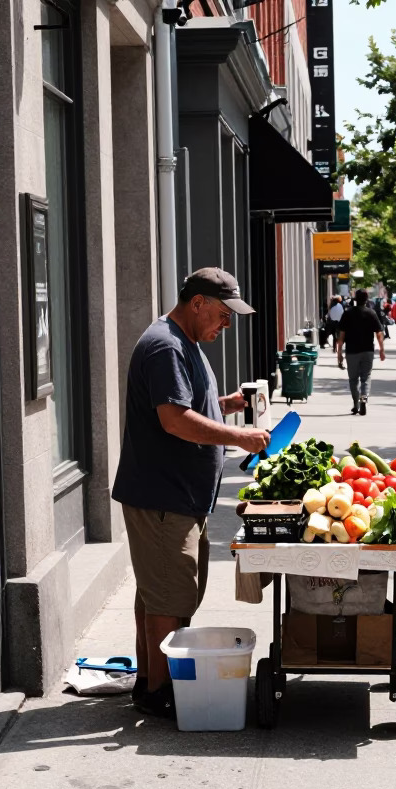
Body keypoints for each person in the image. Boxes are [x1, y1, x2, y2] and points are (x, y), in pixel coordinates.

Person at [113, 267, 271, 720]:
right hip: (164, 496)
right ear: (197, 302)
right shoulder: (166, 346)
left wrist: (228, 406)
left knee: (159, 592)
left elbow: (184, 407)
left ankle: (150, 679)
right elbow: (174, 421)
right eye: (223, 315)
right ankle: (159, 691)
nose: (226, 325)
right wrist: (238, 438)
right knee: (170, 596)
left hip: (176, 495)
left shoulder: (184, 343)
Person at [335, 288, 387, 416]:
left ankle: (355, 404)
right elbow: (379, 333)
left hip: (352, 350)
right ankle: (364, 396)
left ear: (355, 299)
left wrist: (339, 353)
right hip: (367, 350)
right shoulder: (371, 313)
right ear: (366, 299)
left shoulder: (347, 313)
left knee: (353, 379)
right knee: (366, 376)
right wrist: (382, 349)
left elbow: (341, 335)